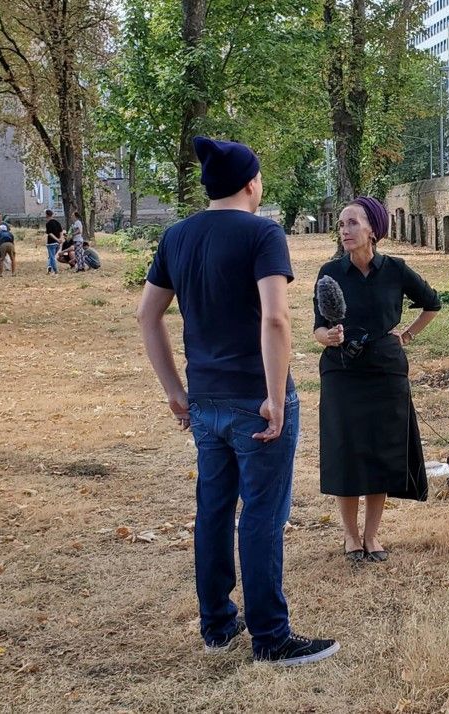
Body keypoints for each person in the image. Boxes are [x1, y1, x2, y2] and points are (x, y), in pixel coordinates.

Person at [136, 136, 338, 666]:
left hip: (204, 401)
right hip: (255, 397)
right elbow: (275, 317)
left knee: (214, 509)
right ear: (251, 183)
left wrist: (175, 393)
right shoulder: (263, 233)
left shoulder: (176, 236)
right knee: (263, 516)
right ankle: (271, 637)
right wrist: (274, 398)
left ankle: (217, 625)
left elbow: (147, 315)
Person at [312, 196, 440, 563]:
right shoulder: (330, 273)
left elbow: (432, 303)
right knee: (347, 451)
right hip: (342, 371)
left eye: (352, 222)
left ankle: (372, 535)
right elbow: (317, 329)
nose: (345, 230)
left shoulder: (396, 270)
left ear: (374, 229)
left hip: (385, 370)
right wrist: (329, 337)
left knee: (381, 451)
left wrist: (408, 335)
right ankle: (351, 537)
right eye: (341, 224)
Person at [45, 209, 63, 274]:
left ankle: (55, 270)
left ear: (47, 215)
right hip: (57, 243)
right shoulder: (57, 222)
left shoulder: (48, 223)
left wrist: (56, 239)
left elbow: (50, 233)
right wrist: (60, 239)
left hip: (51, 243)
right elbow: (61, 231)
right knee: (51, 256)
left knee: (52, 257)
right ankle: (49, 267)